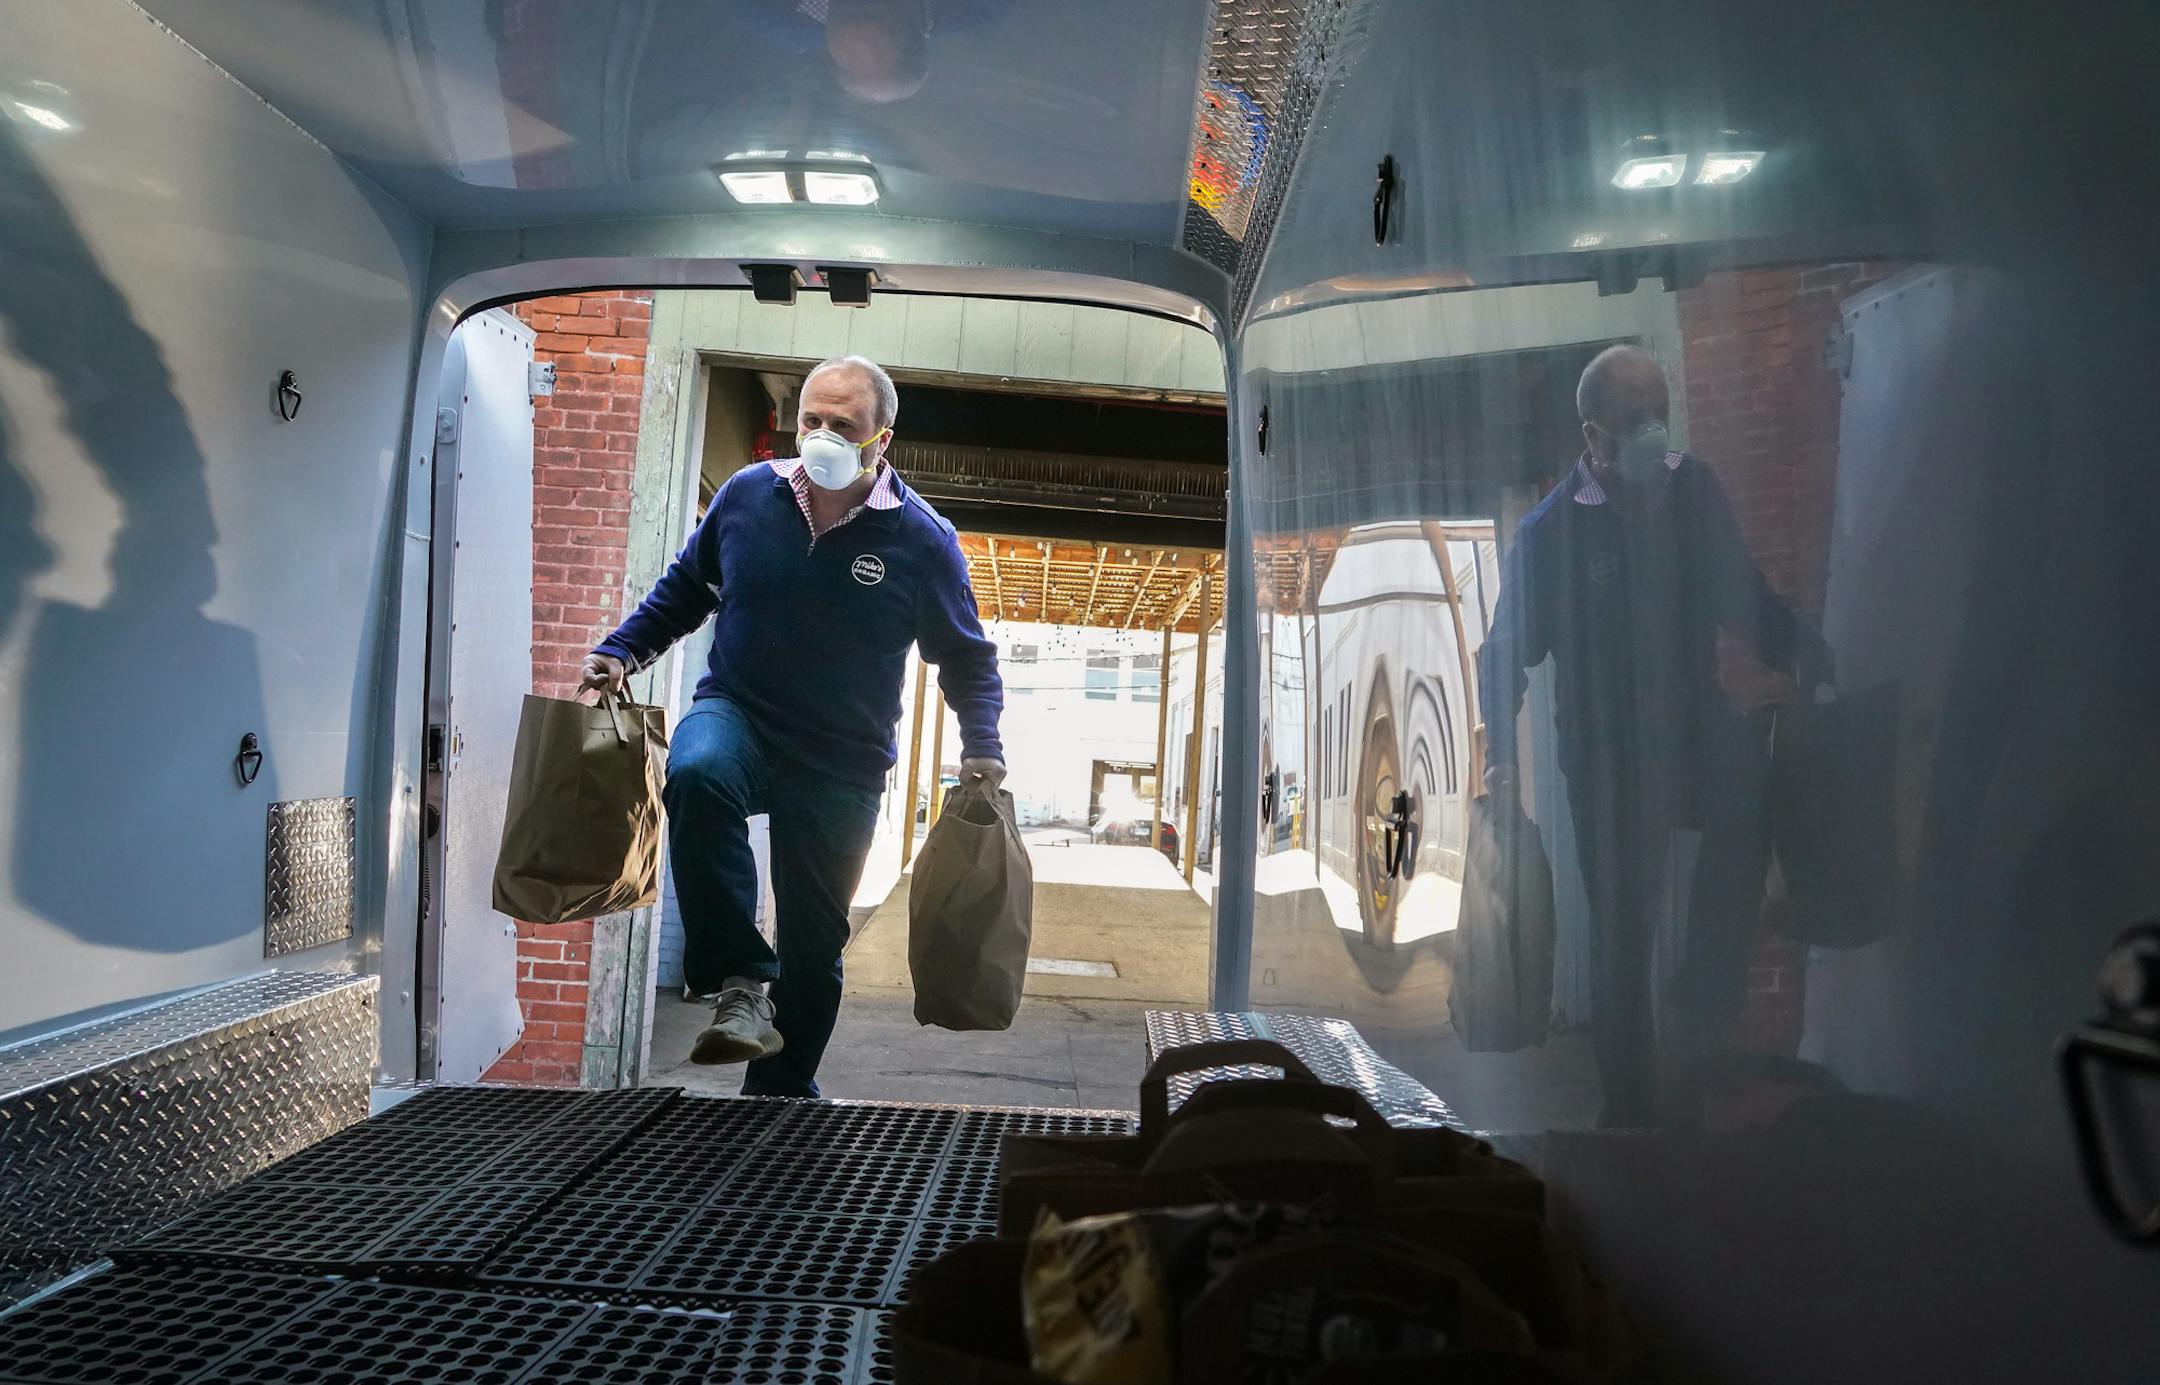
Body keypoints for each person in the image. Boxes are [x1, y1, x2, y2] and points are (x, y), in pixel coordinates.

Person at [581, 354, 1005, 1097]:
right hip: (740, 711)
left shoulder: (923, 540)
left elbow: (967, 657)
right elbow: (687, 590)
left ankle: (779, 1093)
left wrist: (983, 746)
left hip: (843, 759)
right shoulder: (748, 497)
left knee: (815, 945)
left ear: (884, 442)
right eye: (811, 419)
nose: (821, 436)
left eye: (843, 425)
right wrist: (621, 652)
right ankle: (741, 977)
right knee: (696, 771)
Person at [1478, 345, 1831, 1127]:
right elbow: (1505, 652)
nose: (1653, 434)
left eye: (1661, 414)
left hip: (1692, 728)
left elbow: (1742, 597)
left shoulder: (1691, 491)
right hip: (1606, 757)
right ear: (1594, 435)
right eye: (1636, 420)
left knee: (1750, 785)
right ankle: (1632, 1111)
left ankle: (1704, 991)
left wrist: (1807, 651)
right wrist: (1501, 755)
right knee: (1621, 935)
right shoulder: (1550, 534)